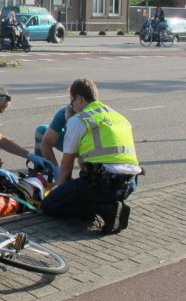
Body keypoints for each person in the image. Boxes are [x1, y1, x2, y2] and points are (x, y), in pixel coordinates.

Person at [39, 77, 141, 235]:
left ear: (79, 98)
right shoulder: (118, 117)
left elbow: (66, 165)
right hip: (128, 185)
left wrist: (63, 191)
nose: (71, 106)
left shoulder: (80, 120)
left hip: (101, 184)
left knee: (49, 206)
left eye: (71, 102)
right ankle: (109, 203)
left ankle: (103, 208)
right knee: (79, 194)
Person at [33, 105, 73, 180]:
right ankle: (41, 174)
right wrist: (56, 170)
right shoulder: (65, 111)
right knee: (41, 131)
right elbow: (45, 144)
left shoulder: (95, 115)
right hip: (72, 142)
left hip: (88, 146)